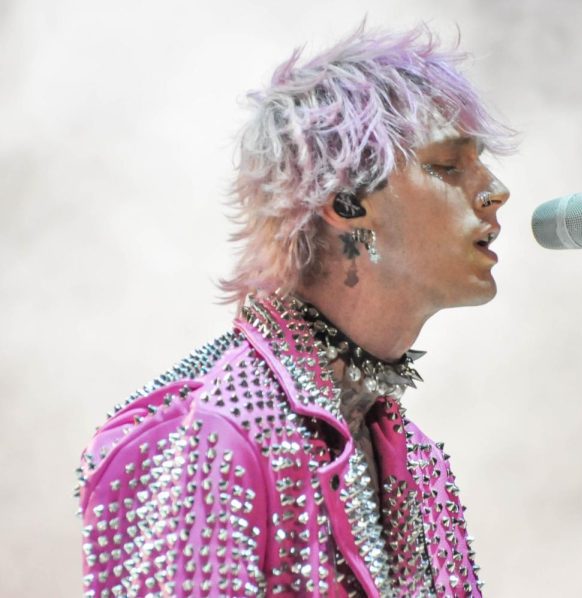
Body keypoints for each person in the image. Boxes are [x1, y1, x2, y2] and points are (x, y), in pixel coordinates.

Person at [76, 25, 514, 597]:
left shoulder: (416, 459)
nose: (496, 190)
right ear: (346, 203)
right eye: (449, 167)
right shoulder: (208, 437)